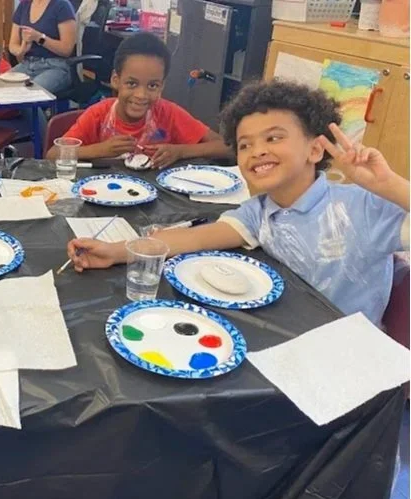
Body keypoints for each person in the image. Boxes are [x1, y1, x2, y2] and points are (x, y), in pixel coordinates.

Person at [65, 80, 410, 325]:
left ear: (315, 149)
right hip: (289, 338)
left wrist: (389, 185)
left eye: (274, 138)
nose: (257, 150)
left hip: (351, 363)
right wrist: (116, 251)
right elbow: (190, 238)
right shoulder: (260, 212)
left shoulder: (364, 208)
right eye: (245, 145)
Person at [46, 32, 230, 168]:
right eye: (132, 84)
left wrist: (179, 151)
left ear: (162, 86)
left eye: (152, 86)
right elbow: (52, 155)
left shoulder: (168, 113)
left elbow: (226, 147)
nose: (141, 95)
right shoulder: (98, 115)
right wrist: (101, 150)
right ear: (115, 81)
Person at [7, 0, 77, 95]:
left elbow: (67, 49)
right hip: (27, 64)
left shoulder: (62, 5)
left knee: (28, 94)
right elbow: (13, 45)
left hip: (55, 66)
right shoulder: (24, 5)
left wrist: (39, 38)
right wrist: (21, 50)